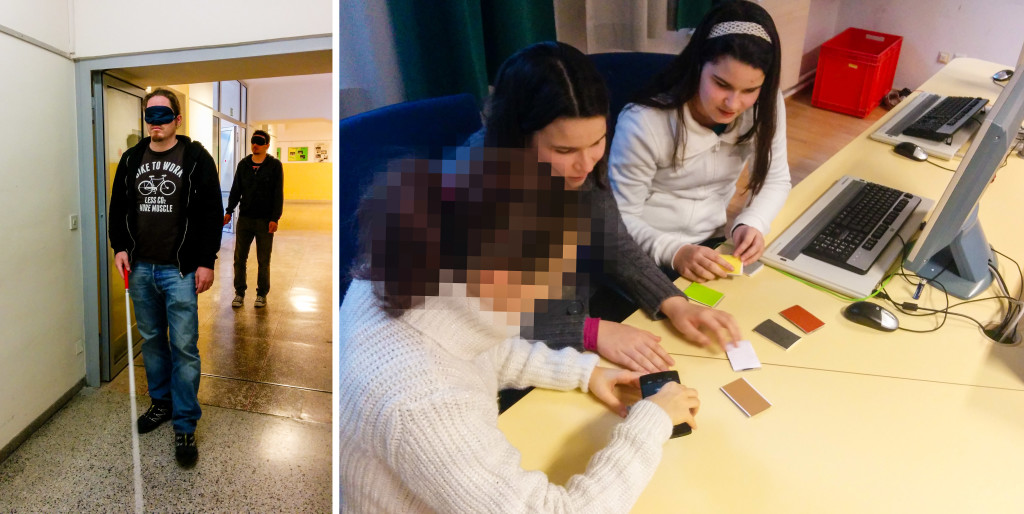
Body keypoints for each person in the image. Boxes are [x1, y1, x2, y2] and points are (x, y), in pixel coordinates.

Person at [339, 153, 701, 512]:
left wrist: (584, 372)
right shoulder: (424, 404)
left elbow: (485, 349)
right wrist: (651, 423)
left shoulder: (405, 269)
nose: (556, 290)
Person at [470, 41, 741, 366]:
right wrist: (590, 332)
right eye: (565, 151)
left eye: (597, 142)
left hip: (579, 309)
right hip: (516, 350)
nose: (585, 165)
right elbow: (486, 321)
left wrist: (672, 300)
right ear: (518, 137)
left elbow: (611, 240)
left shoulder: (581, 165)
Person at [608, 0, 792, 284]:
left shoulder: (765, 104)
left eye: (750, 89)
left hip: (711, 245)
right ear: (697, 66)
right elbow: (620, 219)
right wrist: (675, 251)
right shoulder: (644, 121)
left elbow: (775, 178)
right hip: (643, 251)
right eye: (721, 84)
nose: (733, 103)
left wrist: (753, 221)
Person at [108, 88, 223, 467]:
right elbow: (119, 208)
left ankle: (186, 421)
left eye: (163, 115)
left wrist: (205, 260)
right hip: (140, 267)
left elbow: (210, 213)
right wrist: (120, 247)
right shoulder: (131, 158)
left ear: (177, 119)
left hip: (180, 269)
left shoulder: (195, 158)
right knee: (154, 342)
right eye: (150, 116)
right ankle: (161, 404)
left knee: (185, 346)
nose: (155, 123)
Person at [224, 129, 284, 308]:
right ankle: (239, 293)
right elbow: (236, 190)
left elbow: (277, 194)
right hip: (245, 219)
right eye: (253, 141)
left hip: (265, 221)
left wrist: (275, 218)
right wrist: (229, 211)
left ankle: (262, 294)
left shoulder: (274, 165)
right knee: (239, 258)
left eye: (259, 142)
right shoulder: (243, 165)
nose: (255, 145)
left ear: (267, 145)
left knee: (263, 260)